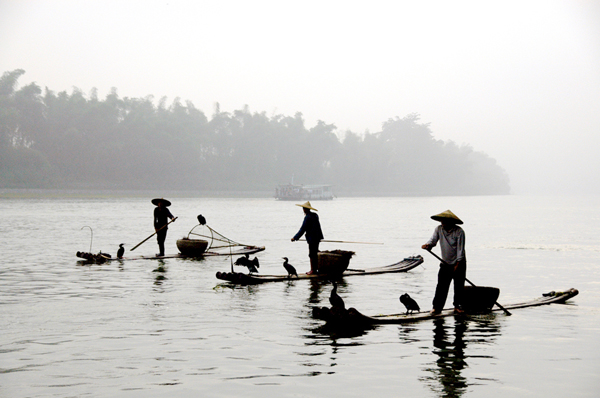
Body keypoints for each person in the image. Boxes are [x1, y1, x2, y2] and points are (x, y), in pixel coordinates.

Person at [421, 209, 466, 315]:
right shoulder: (439, 229)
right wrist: (428, 245)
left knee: (458, 285)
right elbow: (433, 240)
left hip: (459, 262)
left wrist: (457, 264)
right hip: (445, 263)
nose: (443, 223)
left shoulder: (459, 231)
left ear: (451, 222)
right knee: (441, 286)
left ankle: (457, 306)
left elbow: (460, 249)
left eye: (445, 221)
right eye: (442, 221)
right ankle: (437, 307)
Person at [291, 201, 324, 275]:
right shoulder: (315, 215)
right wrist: (320, 237)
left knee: (312, 254)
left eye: (303, 208)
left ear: (305, 209)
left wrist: (295, 238)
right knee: (315, 253)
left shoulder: (308, 217)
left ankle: (313, 270)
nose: (303, 210)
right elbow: (318, 227)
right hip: (317, 237)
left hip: (312, 238)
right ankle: (315, 269)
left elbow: (303, 229)